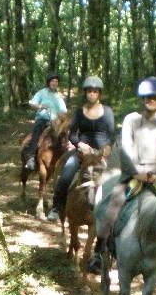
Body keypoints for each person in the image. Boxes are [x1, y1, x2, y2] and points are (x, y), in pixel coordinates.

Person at [87, 76, 156, 274]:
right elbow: (126, 151)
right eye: (146, 97)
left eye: (154, 97)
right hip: (132, 174)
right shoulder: (131, 119)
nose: (150, 100)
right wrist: (137, 174)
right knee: (113, 206)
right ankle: (99, 251)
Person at [46, 75, 115, 222]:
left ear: (99, 93)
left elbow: (111, 134)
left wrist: (107, 147)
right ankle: (57, 207)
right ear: (85, 93)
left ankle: (116, 214)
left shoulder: (108, 111)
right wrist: (80, 144)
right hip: (82, 152)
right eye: (89, 91)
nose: (92, 93)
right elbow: (71, 134)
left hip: (101, 152)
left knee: (118, 178)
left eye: (95, 91)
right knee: (66, 175)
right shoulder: (79, 112)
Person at [24, 72, 67, 171]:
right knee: (37, 131)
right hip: (42, 119)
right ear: (48, 82)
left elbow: (63, 112)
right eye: (52, 81)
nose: (55, 83)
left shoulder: (59, 97)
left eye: (56, 81)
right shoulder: (42, 92)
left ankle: (64, 158)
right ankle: (31, 158)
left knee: (65, 135)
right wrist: (40, 106)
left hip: (56, 121)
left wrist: (63, 117)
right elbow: (32, 104)